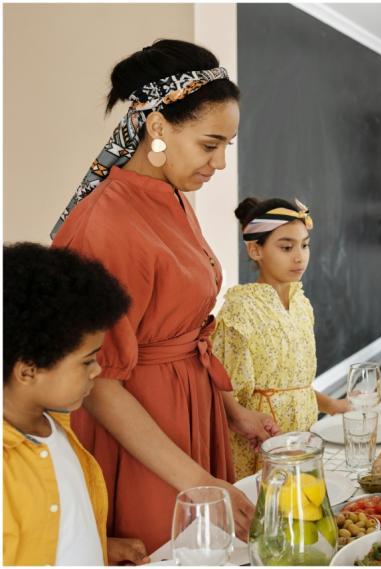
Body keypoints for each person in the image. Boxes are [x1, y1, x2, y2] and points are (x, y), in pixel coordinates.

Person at [50, 40, 275, 552]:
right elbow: (99, 383)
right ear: (157, 127)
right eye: (209, 144)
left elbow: (189, 325)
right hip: (143, 435)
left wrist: (229, 409)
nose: (218, 163)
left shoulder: (171, 195)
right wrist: (193, 479)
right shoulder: (104, 224)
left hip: (192, 407)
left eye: (226, 147)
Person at [3, 243, 149, 566]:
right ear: (28, 370)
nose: (97, 371)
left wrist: (102, 546)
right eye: (86, 362)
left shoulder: (59, 429)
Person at [212, 197, 351, 480]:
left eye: (305, 244)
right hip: (259, 443)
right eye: (286, 247)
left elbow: (293, 386)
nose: (299, 256)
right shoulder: (240, 309)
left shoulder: (301, 304)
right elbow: (219, 388)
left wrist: (333, 405)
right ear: (255, 250)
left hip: (302, 439)